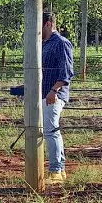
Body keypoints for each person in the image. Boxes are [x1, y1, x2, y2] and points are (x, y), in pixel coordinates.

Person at [41, 11, 74, 184]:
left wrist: (54, 90)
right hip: (43, 93)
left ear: (48, 23)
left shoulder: (61, 43)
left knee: (51, 130)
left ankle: (55, 171)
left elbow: (66, 72)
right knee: (47, 131)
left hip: (54, 94)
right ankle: (58, 169)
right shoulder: (43, 44)